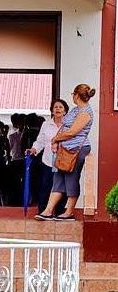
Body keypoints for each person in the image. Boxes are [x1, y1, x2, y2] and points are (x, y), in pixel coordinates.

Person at [36, 84, 97, 221]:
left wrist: (55, 139)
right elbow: (64, 127)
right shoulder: (76, 110)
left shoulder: (85, 112)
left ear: (76, 95)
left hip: (76, 150)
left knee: (71, 179)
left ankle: (68, 212)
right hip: (63, 150)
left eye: (73, 95)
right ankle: (48, 210)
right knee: (58, 179)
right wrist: (56, 142)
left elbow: (72, 132)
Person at [27, 99, 69, 214]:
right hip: (48, 161)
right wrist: (34, 149)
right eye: (55, 107)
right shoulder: (46, 125)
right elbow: (40, 141)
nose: (58, 109)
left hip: (63, 162)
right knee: (46, 187)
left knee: (62, 188)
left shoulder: (69, 125)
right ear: (52, 110)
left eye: (61, 107)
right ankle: (44, 211)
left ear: (65, 111)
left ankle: (60, 212)